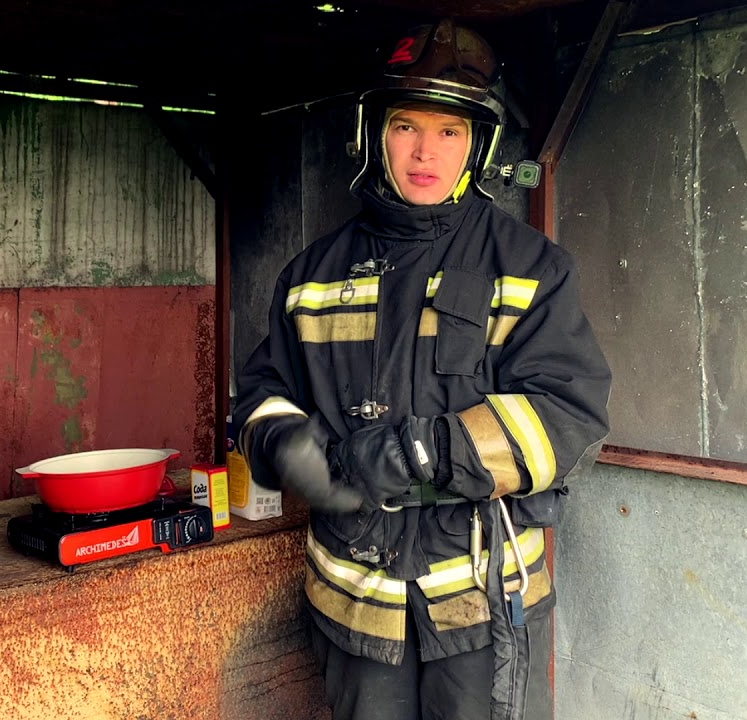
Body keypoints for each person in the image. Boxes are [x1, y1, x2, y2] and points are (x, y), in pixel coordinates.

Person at [233, 18, 612, 720]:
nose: (424, 152)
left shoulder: (529, 268)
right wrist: (286, 446)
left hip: (479, 616)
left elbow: (570, 415)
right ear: (374, 135)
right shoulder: (311, 275)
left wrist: (422, 452)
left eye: (449, 132)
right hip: (353, 615)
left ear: (477, 144)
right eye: (407, 126)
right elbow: (260, 393)